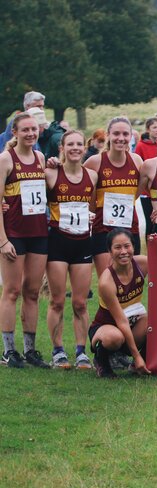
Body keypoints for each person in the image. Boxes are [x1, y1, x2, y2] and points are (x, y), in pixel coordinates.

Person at [0, 113, 50, 368]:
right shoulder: (6, 159)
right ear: (14, 132)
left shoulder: (40, 158)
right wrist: (2, 240)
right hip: (14, 236)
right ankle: (9, 351)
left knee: (32, 291)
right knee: (11, 291)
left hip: (38, 233)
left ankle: (30, 350)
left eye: (34, 129)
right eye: (25, 130)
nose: (31, 134)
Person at [45, 130, 97, 369]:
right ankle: (57, 351)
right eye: (70, 145)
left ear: (84, 148)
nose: (75, 148)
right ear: (62, 149)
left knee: (80, 302)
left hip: (82, 243)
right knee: (57, 301)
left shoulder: (92, 176)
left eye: (79, 144)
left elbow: (93, 204)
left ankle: (80, 351)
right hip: (58, 242)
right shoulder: (51, 173)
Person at [83, 116, 143, 277]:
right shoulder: (94, 162)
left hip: (130, 228)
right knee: (107, 281)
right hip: (103, 230)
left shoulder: (137, 161)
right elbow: (76, 185)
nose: (121, 138)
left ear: (131, 136)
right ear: (108, 134)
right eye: (116, 133)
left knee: (129, 283)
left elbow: (141, 191)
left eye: (125, 134)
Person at [89, 228, 150, 378]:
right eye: (117, 247)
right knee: (114, 338)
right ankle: (101, 360)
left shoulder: (143, 263)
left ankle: (142, 364)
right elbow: (121, 321)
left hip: (133, 322)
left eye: (127, 246)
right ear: (109, 251)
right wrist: (136, 355)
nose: (123, 251)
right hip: (109, 326)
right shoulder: (106, 282)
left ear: (133, 247)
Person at [135, 117, 157, 237]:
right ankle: (150, 249)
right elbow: (138, 167)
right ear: (148, 129)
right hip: (146, 192)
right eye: (154, 127)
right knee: (150, 221)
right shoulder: (141, 146)